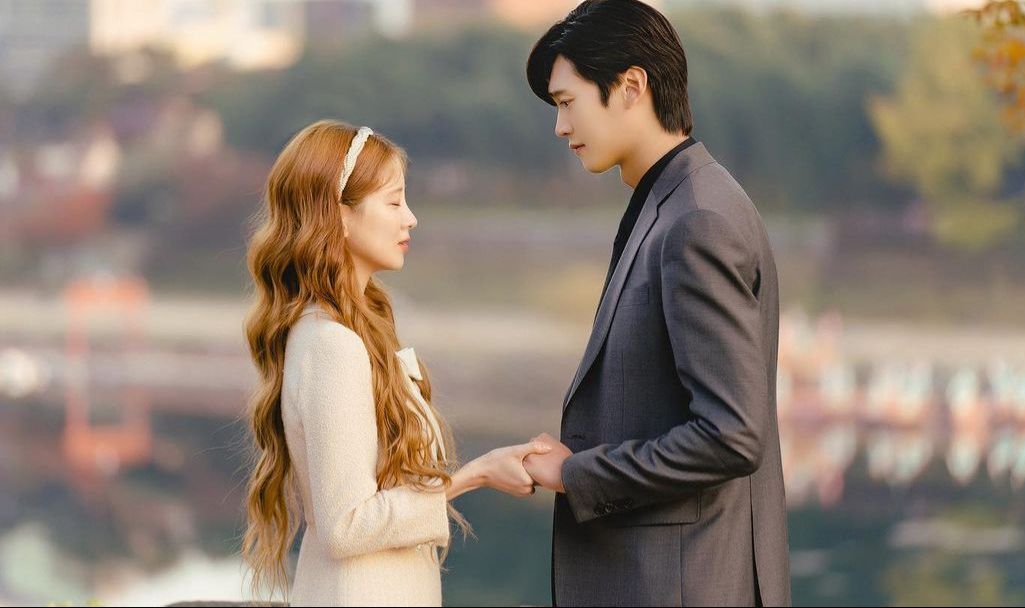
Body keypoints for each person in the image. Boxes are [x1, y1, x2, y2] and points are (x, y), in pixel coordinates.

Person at [519, 1, 791, 605]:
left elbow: (731, 435)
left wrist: (575, 473)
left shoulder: (697, 220)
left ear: (631, 86)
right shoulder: (677, 202)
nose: (561, 127)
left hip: (685, 584)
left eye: (567, 102)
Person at [241, 120, 550, 606]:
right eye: (394, 202)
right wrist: (477, 474)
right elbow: (347, 525)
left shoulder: (346, 331)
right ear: (339, 215)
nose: (411, 218)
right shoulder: (332, 344)